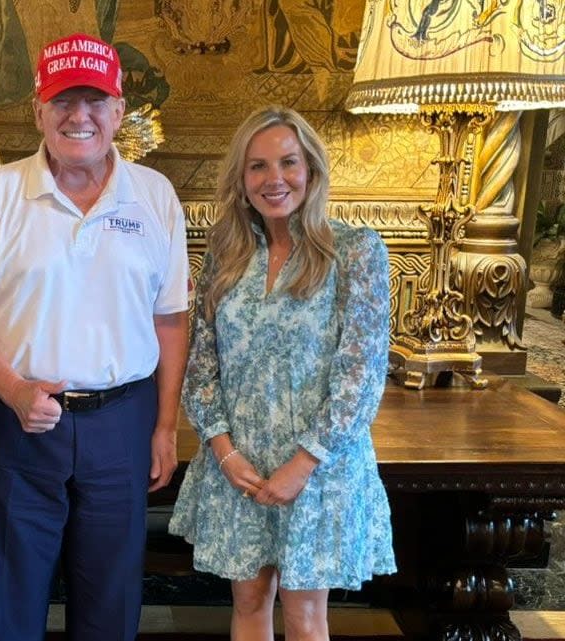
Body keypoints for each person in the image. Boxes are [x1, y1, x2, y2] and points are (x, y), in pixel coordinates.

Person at [0, 33, 191, 641]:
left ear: (120, 111)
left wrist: (163, 426)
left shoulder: (155, 195)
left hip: (121, 423)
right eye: (63, 101)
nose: (80, 116)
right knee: (12, 592)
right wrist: (15, 389)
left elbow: (171, 318)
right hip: (16, 421)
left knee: (111, 598)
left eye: (95, 100)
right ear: (38, 111)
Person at [168, 105, 396, 640]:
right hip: (239, 463)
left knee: (305, 614)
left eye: (288, 163)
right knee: (248, 603)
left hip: (316, 467)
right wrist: (223, 450)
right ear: (241, 179)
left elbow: (360, 378)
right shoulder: (225, 253)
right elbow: (200, 367)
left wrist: (303, 462)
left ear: (312, 170)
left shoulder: (355, 251)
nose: (274, 179)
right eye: (258, 166)